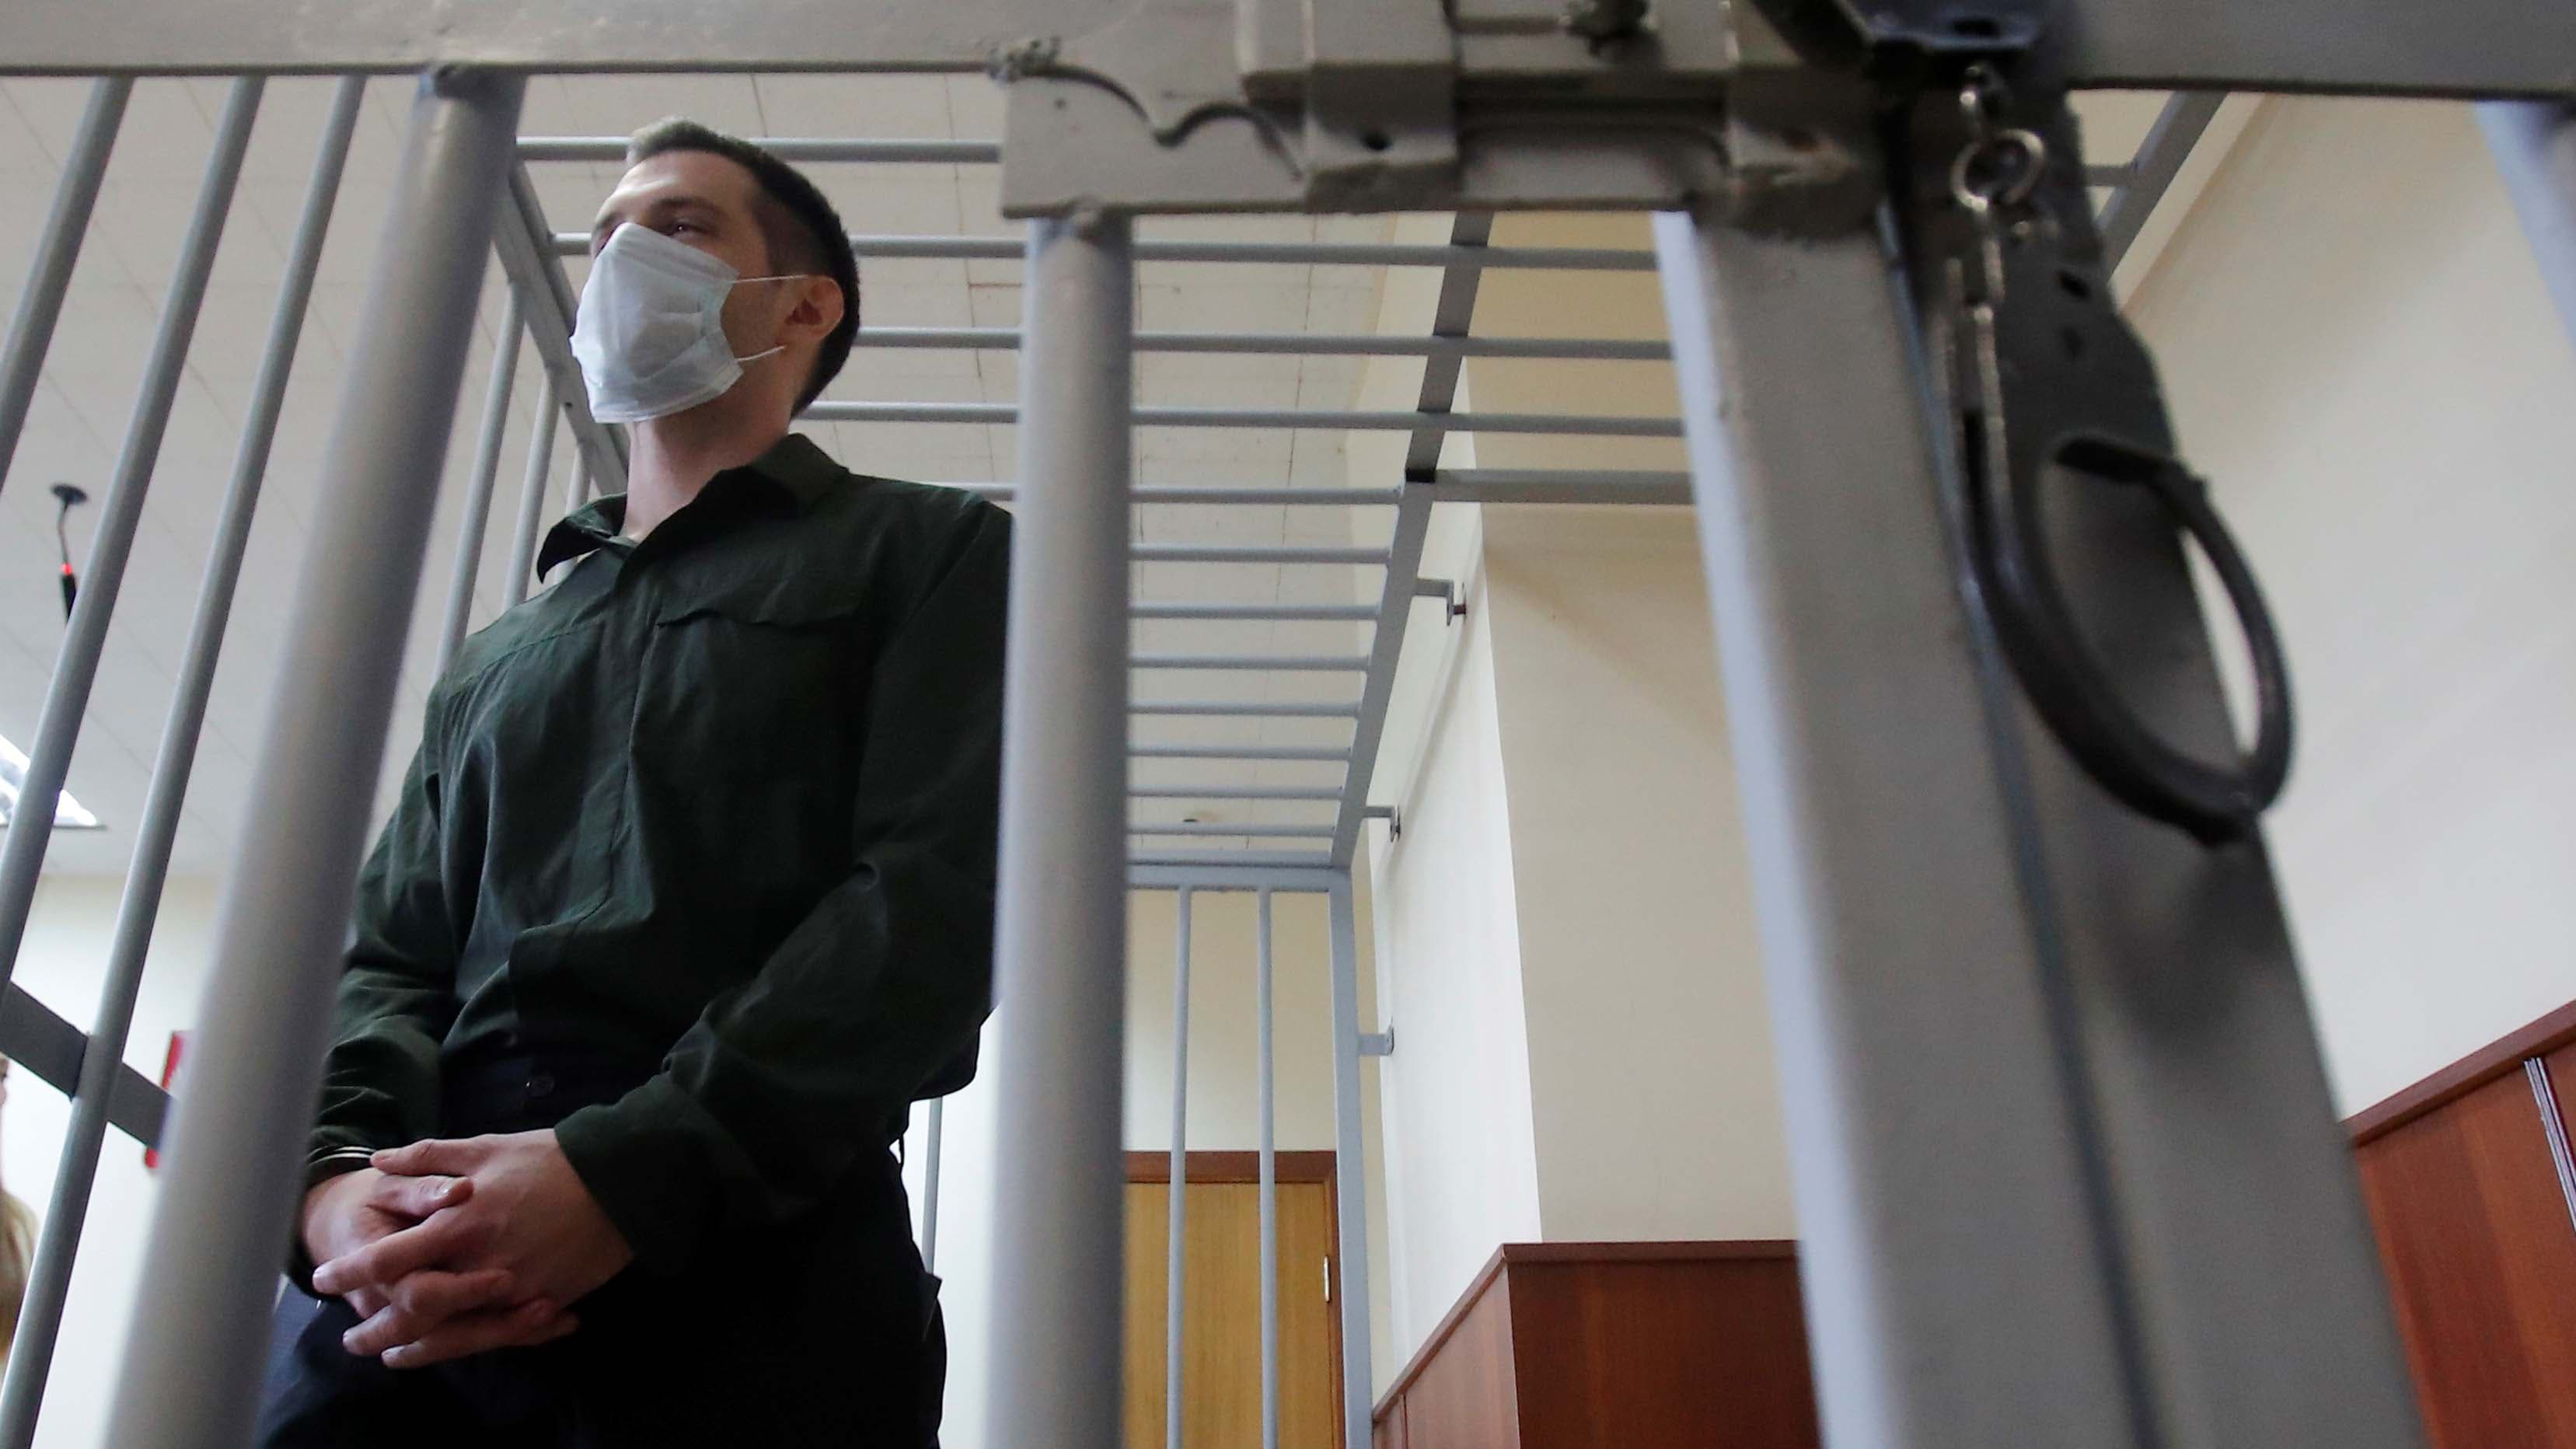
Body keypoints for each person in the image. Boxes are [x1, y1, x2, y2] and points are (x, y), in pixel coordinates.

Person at [256, 117, 1008, 1447]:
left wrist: (627, 1174)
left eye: (676, 227)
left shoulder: (930, 552)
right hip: (411, 1261)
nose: (617, 263)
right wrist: (334, 1195)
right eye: (602, 239)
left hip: (757, 1240)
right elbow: (389, 960)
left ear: (804, 304)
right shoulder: (500, 654)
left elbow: (934, 903)